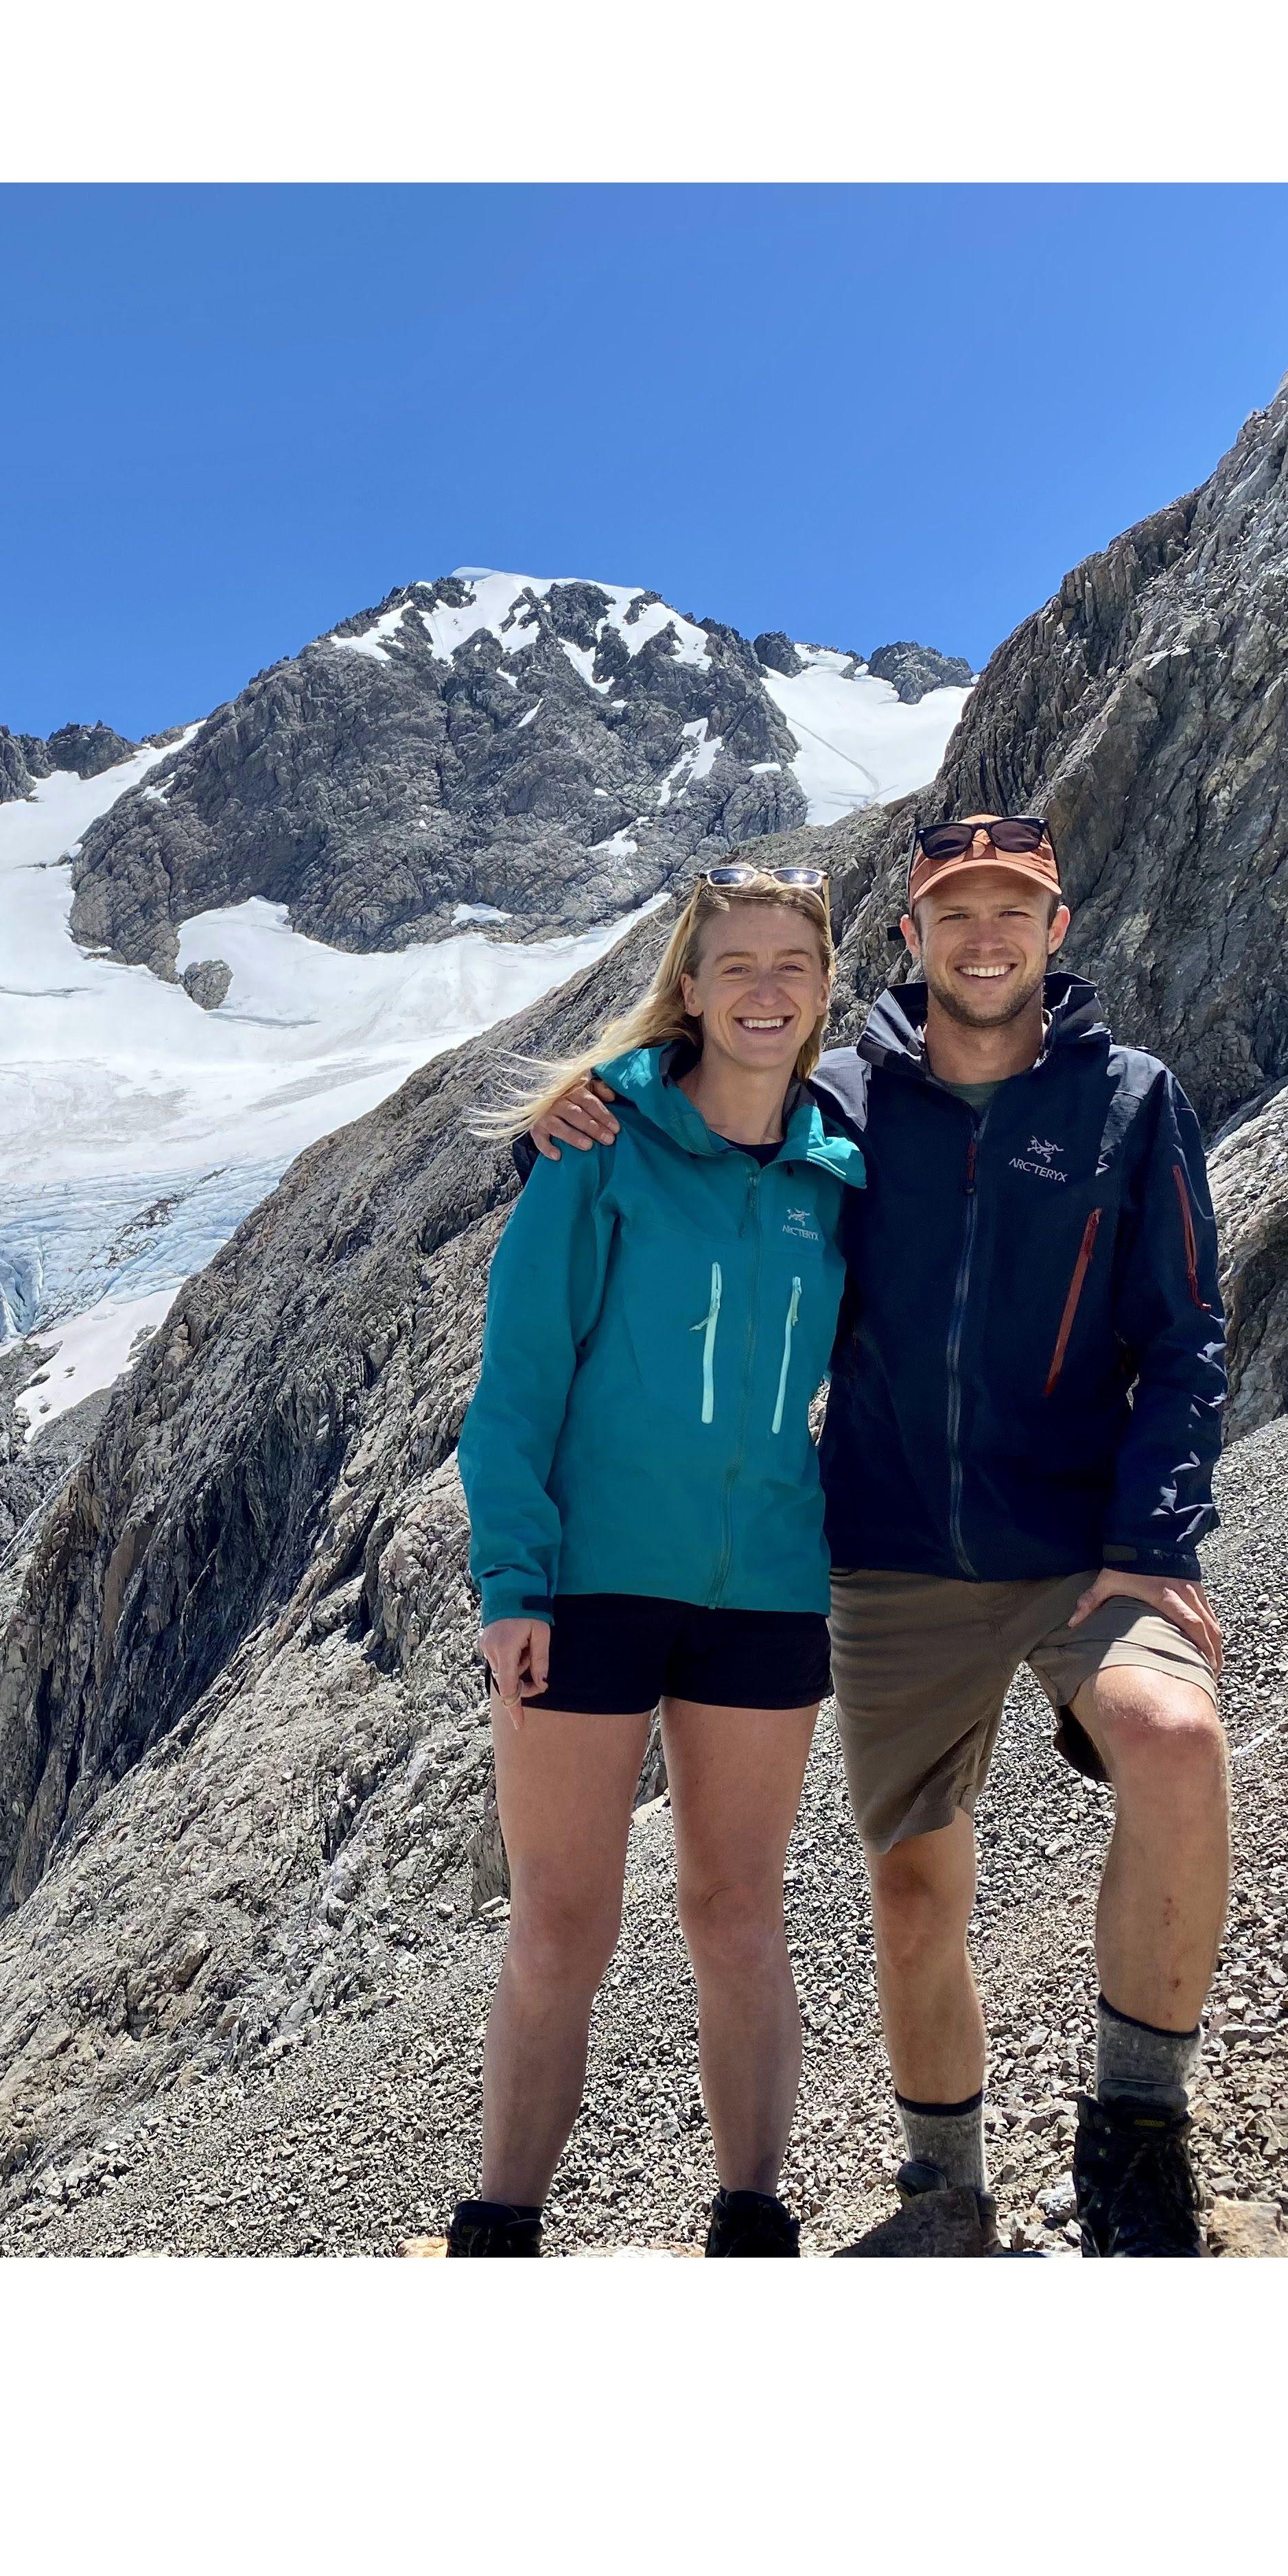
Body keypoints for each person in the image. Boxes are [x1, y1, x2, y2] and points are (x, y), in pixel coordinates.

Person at [524, 815, 1230, 2256]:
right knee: (915, 1886)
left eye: (1013, 909)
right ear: (910, 938)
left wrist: (1155, 1536)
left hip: (1088, 1542)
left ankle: (1138, 2131)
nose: (985, 936)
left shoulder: (1132, 1101)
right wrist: (577, 1105)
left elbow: (1185, 1331)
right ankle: (943, 2188)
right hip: (896, 1549)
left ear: (1059, 927)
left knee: (1172, 1737)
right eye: (954, 911)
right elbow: (707, 1109)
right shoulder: (843, 1102)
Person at [452, 867, 863, 2258]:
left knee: (739, 1909)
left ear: (822, 990)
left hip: (765, 1590)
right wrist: (513, 1580)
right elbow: (517, 1381)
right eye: (733, 964)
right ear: (689, 986)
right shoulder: (602, 1147)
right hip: (591, 1589)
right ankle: (499, 2230)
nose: (763, 989)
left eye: (789, 967)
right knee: (564, 1920)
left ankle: (753, 2224)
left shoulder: (840, 1169)